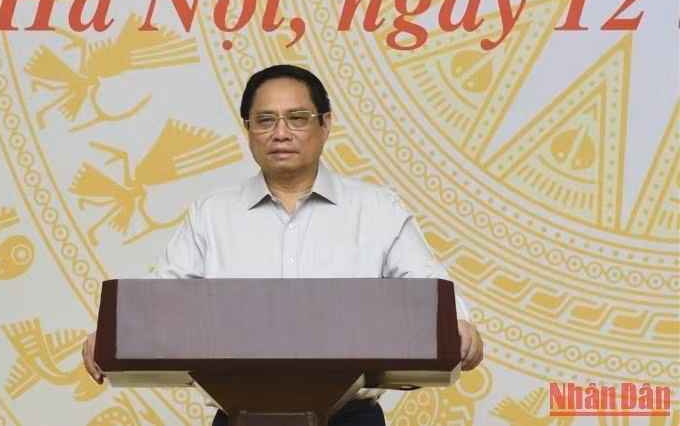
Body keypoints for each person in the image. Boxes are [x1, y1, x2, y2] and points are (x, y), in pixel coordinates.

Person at [82, 64, 483, 426]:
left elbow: (429, 288)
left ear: (325, 124)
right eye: (265, 120)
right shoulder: (211, 213)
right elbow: (165, 304)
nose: (281, 133)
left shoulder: (376, 208)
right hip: (238, 412)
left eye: (297, 118)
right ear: (248, 129)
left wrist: (457, 324)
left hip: (349, 417)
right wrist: (116, 335)